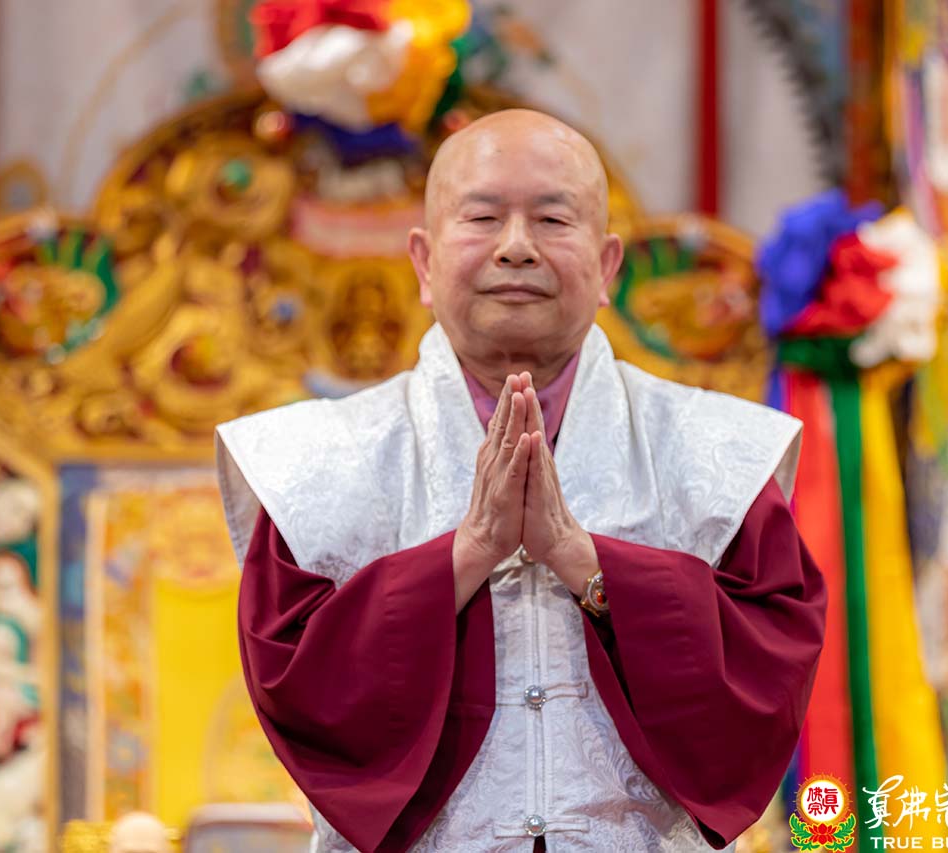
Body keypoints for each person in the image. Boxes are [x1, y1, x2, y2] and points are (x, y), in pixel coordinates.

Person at [215, 109, 827, 853]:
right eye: (482, 218)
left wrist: (586, 563)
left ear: (607, 267)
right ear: (423, 263)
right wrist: (467, 553)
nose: (515, 246)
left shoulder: (717, 450)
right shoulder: (316, 461)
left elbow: (768, 674)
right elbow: (297, 684)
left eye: (552, 219)